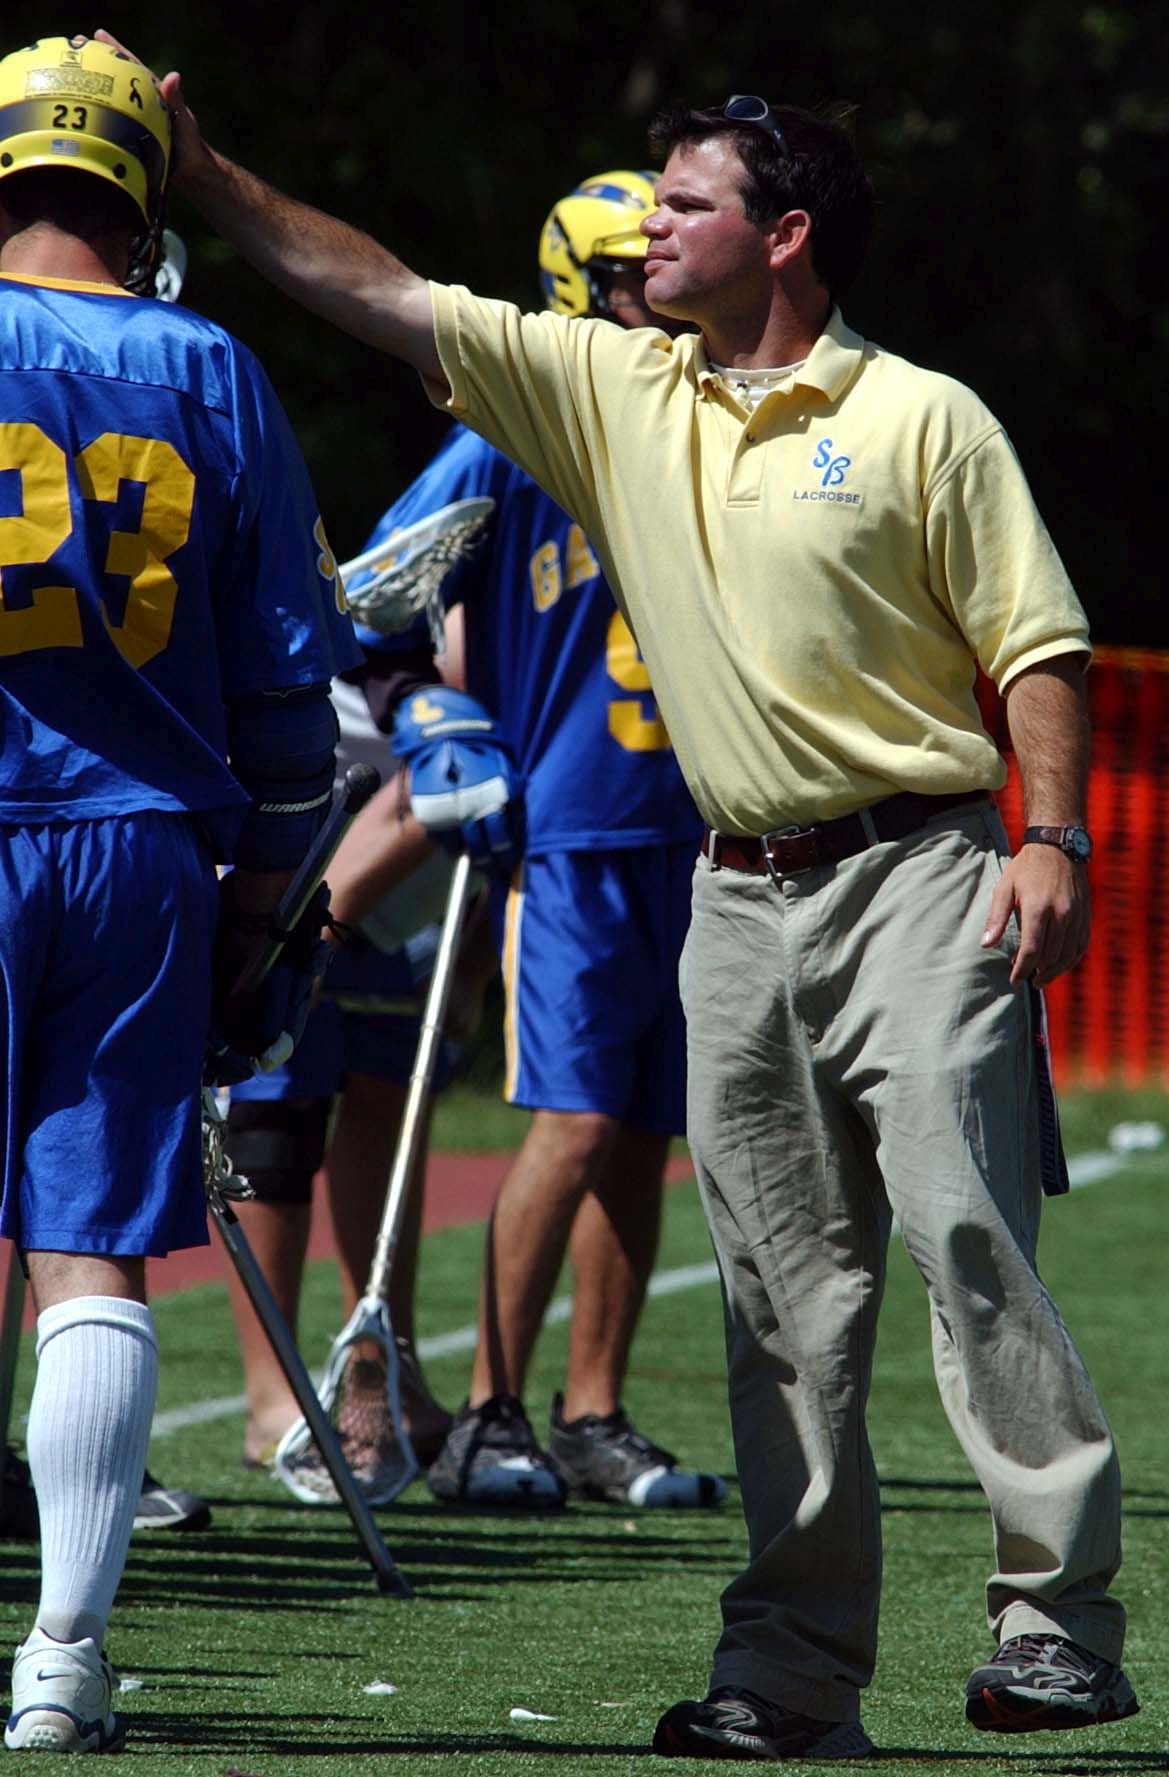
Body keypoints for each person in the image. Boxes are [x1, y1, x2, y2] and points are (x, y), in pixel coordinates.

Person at [138, 51, 1136, 1756]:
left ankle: (1054, 1626)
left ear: (785, 236)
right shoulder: (615, 386)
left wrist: (1054, 841)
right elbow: (378, 293)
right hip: (729, 901)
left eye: (682, 205)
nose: (644, 230)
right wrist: (207, 177)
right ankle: (792, 1673)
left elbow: (1034, 641)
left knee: (968, 1237)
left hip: (923, 873)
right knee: (776, 1301)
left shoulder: (923, 415)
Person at [0, 34, 359, 1753]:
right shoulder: (211, 366)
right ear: (142, 195)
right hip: (142, 848)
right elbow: (291, 698)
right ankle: (63, 1657)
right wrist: (259, 917)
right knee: (94, 1251)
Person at [348, 170, 721, 1513]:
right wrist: (426, 706)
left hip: (697, 827)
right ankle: (488, 1410)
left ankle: (592, 1413)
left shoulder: (710, 419)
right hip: (569, 827)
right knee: (572, 1118)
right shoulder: (509, 435)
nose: (657, 297)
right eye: (629, 277)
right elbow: (370, 597)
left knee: (645, 1128)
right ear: (579, 288)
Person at [223, 673, 504, 1477]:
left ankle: (378, 1371)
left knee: (390, 1100)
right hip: (302, 816)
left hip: (416, 862)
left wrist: (474, 958)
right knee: (274, 1112)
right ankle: (271, 1394)